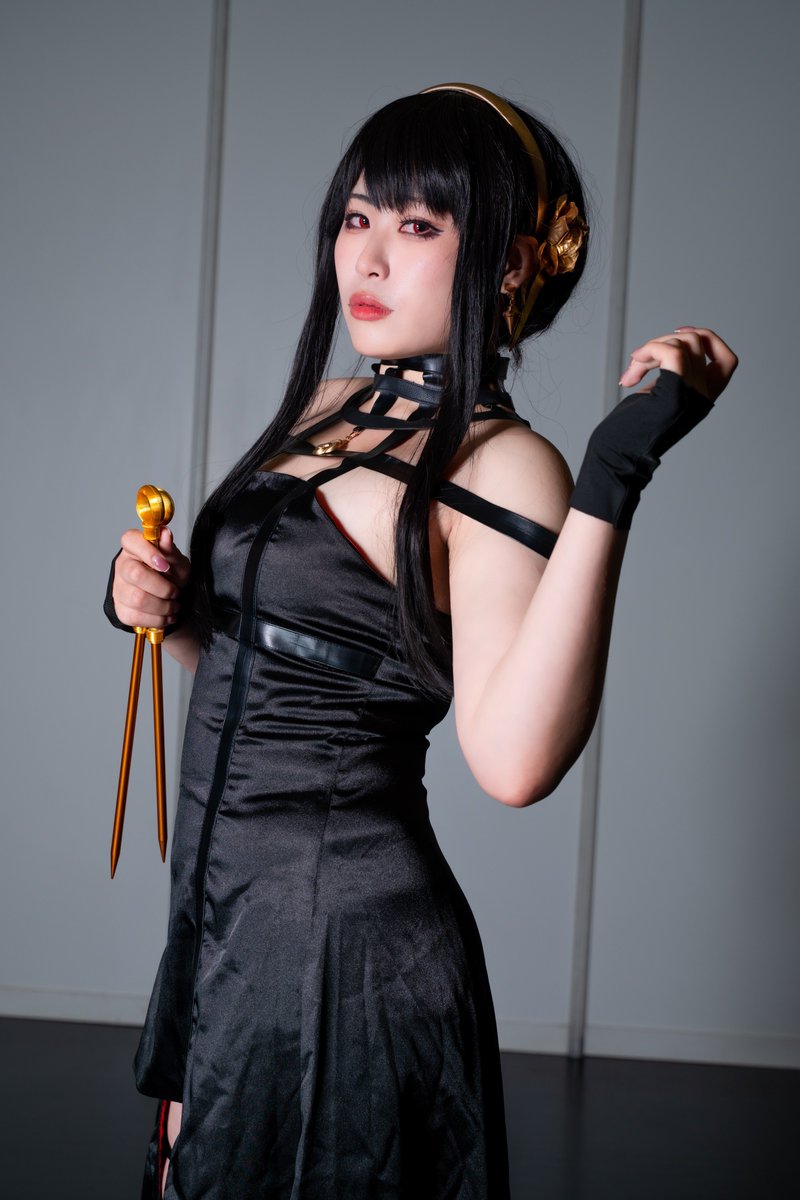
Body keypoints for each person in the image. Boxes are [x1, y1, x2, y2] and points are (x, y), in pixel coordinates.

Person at [104, 83, 737, 1200]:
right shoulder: (322, 406)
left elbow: (513, 762)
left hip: (346, 954)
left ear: (507, 266)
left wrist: (613, 474)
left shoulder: (503, 463)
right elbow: (276, 672)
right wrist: (163, 605)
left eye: (416, 224)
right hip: (223, 920)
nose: (368, 256)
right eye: (356, 216)